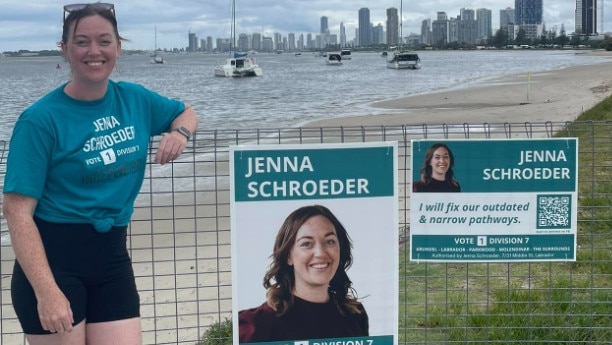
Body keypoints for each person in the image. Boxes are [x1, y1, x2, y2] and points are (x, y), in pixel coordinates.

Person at [2, 3, 198, 345]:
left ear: (118, 47)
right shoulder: (40, 120)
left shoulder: (134, 99)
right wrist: (46, 291)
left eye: (104, 41)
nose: (94, 51)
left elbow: (186, 112)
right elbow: (17, 211)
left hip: (111, 260)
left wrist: (178, 134)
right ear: (64, 49)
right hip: (53, 262)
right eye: (82, 42)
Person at [239, 205, 369, 343]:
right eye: (307, 244)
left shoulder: (355, 315)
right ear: (288, 256)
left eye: (330, 241)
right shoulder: (254, 326)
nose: (320, 253)